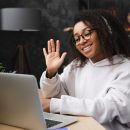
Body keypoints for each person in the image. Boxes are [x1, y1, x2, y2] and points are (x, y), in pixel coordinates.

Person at [40, 9, 130, 130]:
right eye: (77, 39)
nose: (81, 41)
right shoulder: (76, 65)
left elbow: (108, 109)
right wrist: (51, 73)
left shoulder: (125, 69)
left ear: (105, 32)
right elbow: (52, 95)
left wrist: (55, 105)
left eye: (87, 33)